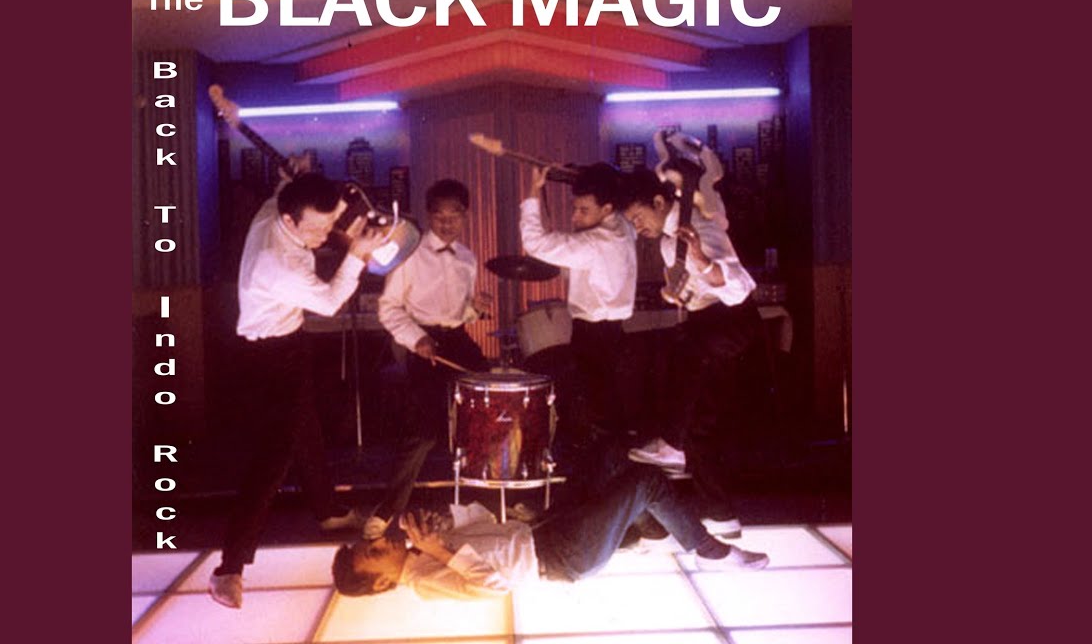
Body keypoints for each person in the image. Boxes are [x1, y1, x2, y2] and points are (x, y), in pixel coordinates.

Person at [209, 166, 388, 609]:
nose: (325, 236)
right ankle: (229, 568)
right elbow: (328, 302)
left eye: (329, 225)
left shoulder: (275, 208)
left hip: (288, 341)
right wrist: (357, 254)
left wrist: (304, 184)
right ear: (290, 221)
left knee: (305, 427)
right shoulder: (278, 263)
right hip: (267, 357)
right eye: (317, 228)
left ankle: (327, 510)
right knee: (274, 459)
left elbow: (286, 191)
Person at [330, 464, 768, 600]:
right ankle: (710, 551)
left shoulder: (420, 549)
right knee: (644, 482)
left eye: (371, 543)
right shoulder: (425, 582)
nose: (381, 542)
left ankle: (646, 533)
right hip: (562, 555)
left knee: (608, 457)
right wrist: (441, 550)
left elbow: (488, 525)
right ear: (382, 582)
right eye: (375, 554)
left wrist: (448, 525)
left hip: (544, 530)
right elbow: (495, 588)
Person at [620, 143, 762, 540]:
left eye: (639, 217)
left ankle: (671, 443)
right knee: (700, 423)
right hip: (706, 323)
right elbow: (690, 292)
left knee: (685, 354)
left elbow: (738, 287)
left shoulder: (701, 226)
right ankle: (721, 517)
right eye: (631, 222)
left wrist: (701, 260)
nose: (638, 227)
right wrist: (676, 294)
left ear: (658, 201)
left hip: (730, 322)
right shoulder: (668, 243)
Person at [370, 179, 492, 538]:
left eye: (455, 216)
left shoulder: (467, 257)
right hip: (422, 340)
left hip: (457, 339)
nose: (447, 223)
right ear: (429, 216)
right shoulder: (409, 254)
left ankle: (486, 498)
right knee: (423, 432)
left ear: (466, 216)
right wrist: (417, 339)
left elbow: (461, 313)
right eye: (440, 217)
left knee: (490, 407)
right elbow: (388, 309)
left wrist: (475, 309)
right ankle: (388, 509)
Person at [518, 163, 637, 441]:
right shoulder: (623, 226)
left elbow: (534, 243)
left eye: (583, 210)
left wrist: (534, 191)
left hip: (592, 333)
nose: (575, 217)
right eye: (575, 208)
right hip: (614, 331)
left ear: (606, 208)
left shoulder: (594, 242)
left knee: (595, 408)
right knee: (606, 402)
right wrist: (581, 176)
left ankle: (600, 456)